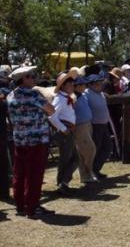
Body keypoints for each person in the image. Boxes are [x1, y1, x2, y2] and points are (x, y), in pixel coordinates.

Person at [7, 66, 57, 218]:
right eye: (31, 76)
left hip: (19, 140)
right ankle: (33, 207)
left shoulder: (10, 95)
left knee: (19, 173)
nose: (34, 78)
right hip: (37, 140)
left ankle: (20, 205)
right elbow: (51, 110)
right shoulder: (34, 95)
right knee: (34, 175)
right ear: (24, 79)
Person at [50, 70, 79, 194]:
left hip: (68, 131)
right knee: (69, 158)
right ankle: (63, 183)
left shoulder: (65, 98)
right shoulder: (60, 99)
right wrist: (64, 129)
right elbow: (51, 116)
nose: (73, 86)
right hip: (65, 132)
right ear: (63, 86)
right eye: (70, 84)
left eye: (73, 84)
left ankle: (63, 183)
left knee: (70, 158)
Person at [85, 74, 112, 179]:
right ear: (90, 85)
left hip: (104, 125)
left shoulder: (100, 93)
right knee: (95, 149)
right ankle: (91, 171)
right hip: (94, 126)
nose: (100, 85)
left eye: (101, 83)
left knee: (107, 147)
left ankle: (96, 169)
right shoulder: (86, 94)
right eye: (97, 83)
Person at [72, 76, 98, 183]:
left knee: (84, 151)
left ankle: (86, 175)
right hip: (79, 126)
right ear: (76, 86)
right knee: (90, 149)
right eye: (82, 85)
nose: (84, 86)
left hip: (87, 124)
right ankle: (88, 172)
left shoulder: (82, 96)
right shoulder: (73, 97)